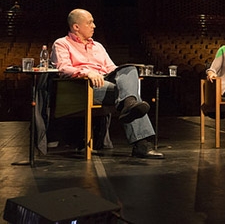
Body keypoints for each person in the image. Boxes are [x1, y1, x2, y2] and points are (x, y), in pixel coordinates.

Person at [51, 9, 164, 158]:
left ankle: (129, 103)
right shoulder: (62, 43)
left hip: (106, 80)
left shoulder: (98, 46)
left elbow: (112, 68)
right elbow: (63, 68)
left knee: (129, 69)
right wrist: (88, 72)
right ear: (76, 26)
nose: (94, 26)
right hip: (84, 85)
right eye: (90, 22)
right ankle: (141, 142)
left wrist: (127, 76)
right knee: (131, 95)